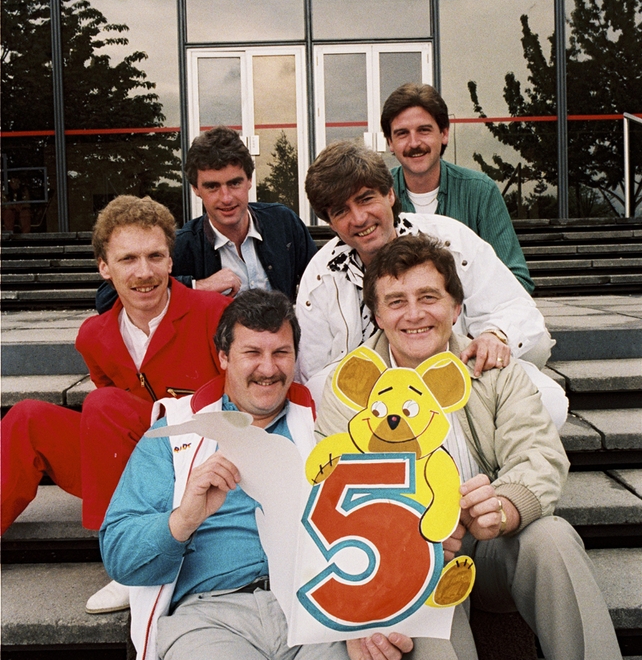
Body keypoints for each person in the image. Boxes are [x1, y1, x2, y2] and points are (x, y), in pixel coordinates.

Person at [315, 234, 641, 660]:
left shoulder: (493, 369)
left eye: (429, 297)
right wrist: (405, 545)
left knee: (554, 537)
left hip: (492, 548)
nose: (414, 314)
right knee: (419, 591)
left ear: (456, 306)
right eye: (396, 301)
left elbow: (538, 453)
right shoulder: (351, 387)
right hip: (413, 558)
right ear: (376, 314)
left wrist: (506, 507)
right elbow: (336, 493)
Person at [100, 290, 432, 660]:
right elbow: (121, 555)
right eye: (252, 352)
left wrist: (363, 618)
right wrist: (185, 517)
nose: (268, 368)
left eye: (281, 352)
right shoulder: (176, 431)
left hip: (314, 616)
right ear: (222, 357)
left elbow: (381, 524)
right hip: (211, 620)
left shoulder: (329, 424)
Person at [1, 195, 230, 612]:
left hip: (199, 463)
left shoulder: (216, 313)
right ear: (104, 268)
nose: (144, 272)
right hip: (135, 463)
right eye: (128, 259)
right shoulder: (93, 335)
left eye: (155, 256)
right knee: (27, 417)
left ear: (170, 261)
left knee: (104, 402)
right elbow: (115, 420)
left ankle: (127, 557)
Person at [297, 141, 566, 426]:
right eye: (341, 211)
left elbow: (517, 308)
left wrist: (495, 336)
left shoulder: (451, 241)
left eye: (365, 199)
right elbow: (314, 370)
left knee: (548, 401)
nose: (359, 218)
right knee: (316, 394)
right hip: (374, 401)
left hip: (459, 379)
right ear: (331, 223)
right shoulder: (320, 277)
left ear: (390, 194)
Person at [95, 126, 317, 313]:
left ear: (249, 180)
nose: (226, 197)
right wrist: (197, 286)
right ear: (195, 189)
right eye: (212, 186)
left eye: (234, 183)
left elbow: (320, 281)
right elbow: (106, 299)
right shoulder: (184, 243)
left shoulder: (282, 222)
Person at [381, 83, 533, 293]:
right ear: (390, 142)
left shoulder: (480, 191)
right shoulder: (378, 195)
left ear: (444, 133)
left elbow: (516, 280)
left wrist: (457, 307)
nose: (414, 143)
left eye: (424, 130)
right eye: (402, 133)